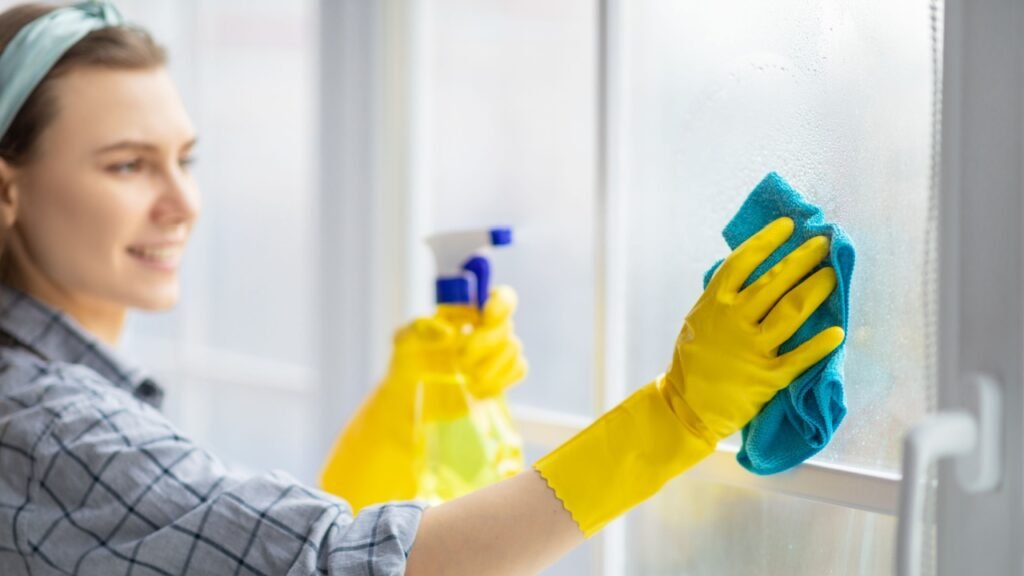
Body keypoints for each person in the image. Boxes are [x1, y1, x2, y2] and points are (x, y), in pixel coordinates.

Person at [0, 2, 844, 575]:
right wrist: (674, 419)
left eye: (185, 159)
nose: (183, 203)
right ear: (8, 191)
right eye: (126, 164)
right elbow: (345, 565)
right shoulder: (48, 428)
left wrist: (385, 444)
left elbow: (205, 546)